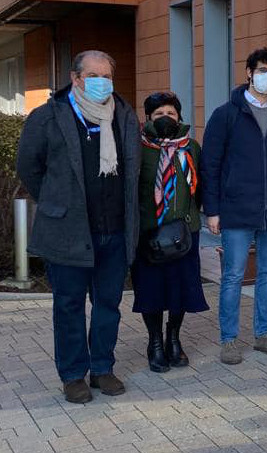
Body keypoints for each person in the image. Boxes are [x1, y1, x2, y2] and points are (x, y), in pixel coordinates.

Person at [16, 50, 140, 403]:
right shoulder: (48, 116)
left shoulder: (124, 116)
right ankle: (73, 375)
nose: (102, 82)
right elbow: (29, 167)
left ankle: (102, 368)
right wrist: (56, 202)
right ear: (75, 78)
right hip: (68, 231)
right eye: (93, 76)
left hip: (114, 230)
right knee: (68, 305)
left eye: (107, 76)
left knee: (108, 304)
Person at [201, 47, 267, 364]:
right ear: (249, 73)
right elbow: (210, 164)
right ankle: (229, 340)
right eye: (262, 70)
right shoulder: (226, 114)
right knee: (233, 276)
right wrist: (212, 210)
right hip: (237, 209)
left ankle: (263, 334)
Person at [132, 92, 209, 373]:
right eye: (159, 114)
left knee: (181, 290)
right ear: (148, 118)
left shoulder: (191, 148)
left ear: (179, 117)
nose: (166, 118)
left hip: (183, 234)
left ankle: (173, 338)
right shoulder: (138, 148)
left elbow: (200, 187)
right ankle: (154, 342)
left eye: (171, 113)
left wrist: (193, 216)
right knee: (151, 291)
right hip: (148, 235)